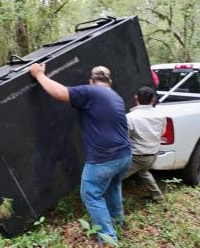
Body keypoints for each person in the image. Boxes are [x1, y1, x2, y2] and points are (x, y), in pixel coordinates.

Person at [29, 63, 132, 241]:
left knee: (91, 193)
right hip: (124, 156)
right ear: (110, 81)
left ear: (91, 81)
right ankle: (117, 222)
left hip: (104, 159)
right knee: (112, 187)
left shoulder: (90, 92)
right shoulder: (116, 97)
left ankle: (108, 238)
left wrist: (39, 75)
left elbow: (60, 92)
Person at [123, 86, 166, 201]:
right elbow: (163, 132)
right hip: (153, 154)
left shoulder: (130, 117)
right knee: (144, 171)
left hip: (137, 156)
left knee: (115, 178)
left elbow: (124, 138)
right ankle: (157, 196)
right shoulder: (161, 115)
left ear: (136, 98)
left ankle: (115, 203)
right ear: (153, 99)